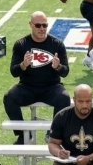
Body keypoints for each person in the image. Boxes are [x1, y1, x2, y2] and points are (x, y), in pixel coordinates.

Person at [4, 11, 71, 145]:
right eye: (38, 25)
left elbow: (65, 72)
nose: (42, 29)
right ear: (30, 25)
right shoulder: (21, 44)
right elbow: (14, 72)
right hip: (27, 87)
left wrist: (58, 67)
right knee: (9, 97)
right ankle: (22, 135)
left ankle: (54, 133)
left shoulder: (57, 44)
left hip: (51, 87)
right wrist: (23, 65)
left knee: (64, 98)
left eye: (44, 25)